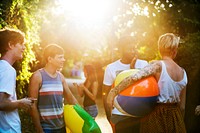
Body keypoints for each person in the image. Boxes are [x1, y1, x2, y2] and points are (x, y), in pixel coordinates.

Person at [107, 33, 188, 133]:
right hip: (175, 116)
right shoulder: (183, 72)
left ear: (160, 49)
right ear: (175, 51)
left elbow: (134, 78)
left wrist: (113, 92)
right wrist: (178, 121)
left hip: (156, 116)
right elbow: (182, 107)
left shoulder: (157, 65)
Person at [102, 36, 148, 133]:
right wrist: (109, 116)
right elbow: (105, 94)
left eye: (134, 48)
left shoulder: (144, 65)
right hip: (119, 116)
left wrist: (133, 67)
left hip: (140, 114)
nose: (133, 51)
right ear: (121, 50)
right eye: (130, 49)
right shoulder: (111, 68)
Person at [28, 44, 78, 133]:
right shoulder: (37, 76)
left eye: (63, 57)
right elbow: (32, 106)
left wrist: (85, 116)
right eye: (60, 57)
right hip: (45, 128)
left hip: (61, 127)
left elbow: (71, 99)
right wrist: (39, 130)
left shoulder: (60, 76)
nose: (64, 60)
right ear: (50, 59)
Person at [0, 28, 33, 133]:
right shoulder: (8, 70)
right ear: (11, 45)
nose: (24, 48)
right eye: (21, 44)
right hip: (9, 129)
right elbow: (1, 103)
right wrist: (21, 103)